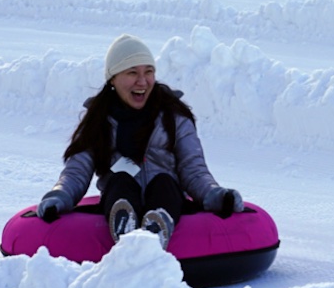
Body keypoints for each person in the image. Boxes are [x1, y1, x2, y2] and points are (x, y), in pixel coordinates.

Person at [36, 33, 244, 250]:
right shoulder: (98, 120)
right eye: (132, 73)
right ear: (113, 79)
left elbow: (193, 168)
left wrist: (213, 194)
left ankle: (157, 227)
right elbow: (77, 170)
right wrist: (59, 195)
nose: (142, 81)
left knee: (164, 182)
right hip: (119, 195)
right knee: (120, 180)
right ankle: (124, 227)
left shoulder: (174, 116)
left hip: (168, 197)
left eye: (149, 72)